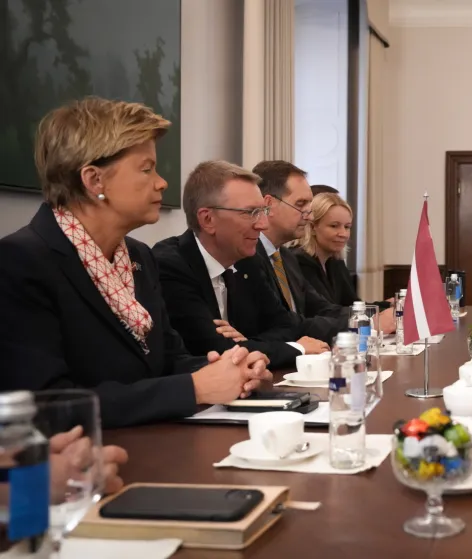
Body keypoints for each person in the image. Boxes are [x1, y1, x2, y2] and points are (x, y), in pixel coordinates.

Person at [0, 98, 270, 428]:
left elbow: (168, 360)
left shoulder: (139, 256)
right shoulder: (21, 261)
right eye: (146, 169)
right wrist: (195, 387)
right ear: (94, 180)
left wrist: (231, 368)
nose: (162, 182)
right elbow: (45, 406)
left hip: (157, 446)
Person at [152, 161, 330, 368]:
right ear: (208, 219)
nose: (262, 224)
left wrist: (246, 342)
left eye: (262, 211)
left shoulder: (248, 260)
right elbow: (214, 351)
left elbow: (286, 325)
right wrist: (296, 349)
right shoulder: (170, 265)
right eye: (250, 213)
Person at [250, 160, 394, 335]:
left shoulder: (285, 258)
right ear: (269, 204)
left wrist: (375, 315)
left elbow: (323, 309)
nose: (309, 216)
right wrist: (366, 324)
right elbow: (283, 323)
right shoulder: (248, 257)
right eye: (300, 204)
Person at [294, 193, 392, 310]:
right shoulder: (299, 261)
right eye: (334, 226)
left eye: (347, 227)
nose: (343, 234)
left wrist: (388, 305)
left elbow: (352, 305)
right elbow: (325, 311)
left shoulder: (335, 261)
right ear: (312, 227)